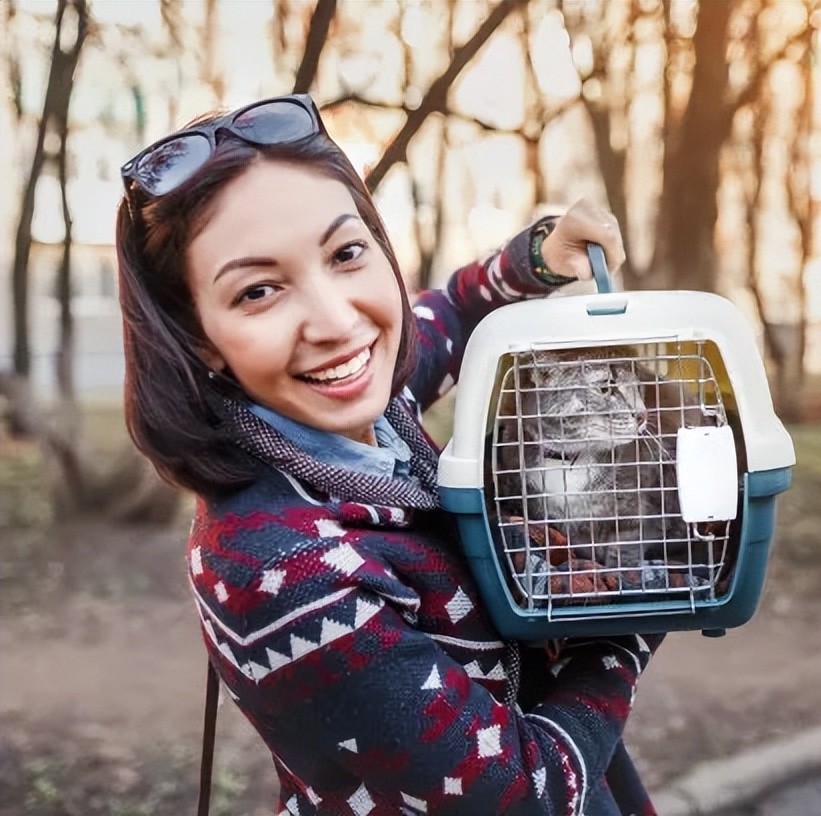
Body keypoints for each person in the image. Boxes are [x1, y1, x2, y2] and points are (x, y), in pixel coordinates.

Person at [116, 93, 663, 816]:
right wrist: (638, 610)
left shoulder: (372, 405)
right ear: (199, 336)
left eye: (346, 253)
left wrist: (537, 256)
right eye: (258, 291)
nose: (339, 323)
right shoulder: (281, 571)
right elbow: (524, 794)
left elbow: (456, 313)